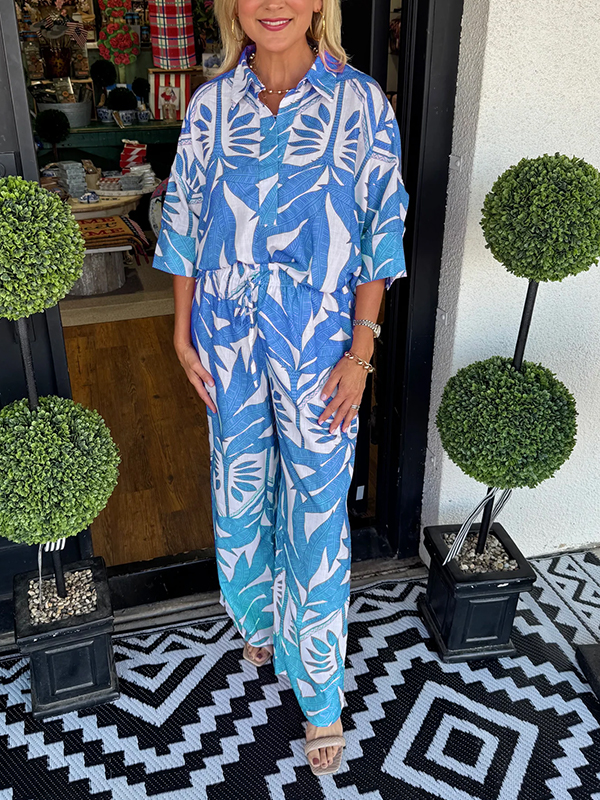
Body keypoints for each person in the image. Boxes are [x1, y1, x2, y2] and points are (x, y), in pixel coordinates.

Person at [152, 0, 409, 776]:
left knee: (318, 506)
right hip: (225, 329)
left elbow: (380, 228)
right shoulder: (210, 104)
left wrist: (361, 351)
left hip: (320, 337)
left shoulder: (360, 101)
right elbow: (185, 221)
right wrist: (181, 332)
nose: (272, 4)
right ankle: (260, 619)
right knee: (240, 489)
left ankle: (321, 691)